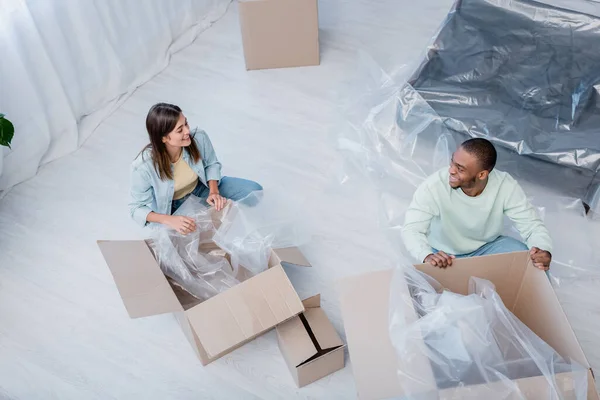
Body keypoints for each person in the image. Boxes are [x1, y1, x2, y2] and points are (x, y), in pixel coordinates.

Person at [401, 138, 552, 271]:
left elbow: (531, 226)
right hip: (443, 253)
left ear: (482, 174)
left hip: (487, 248)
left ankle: (537, 301)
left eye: (460, 169)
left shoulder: (505, 186)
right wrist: (427, 255)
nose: (451, 171)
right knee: (436, 289)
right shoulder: (434, 186)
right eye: (452, 162)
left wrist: (543, 251)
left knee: (532, 262)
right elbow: (412, 229)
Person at [129, 103, 263, 234]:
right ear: (163, 138)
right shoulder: (143, 166)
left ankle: (210, 211)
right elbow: (136, 208)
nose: (187, 131)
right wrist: (170, 220)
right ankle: (202, 217)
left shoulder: (199, 137)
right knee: (189, 238)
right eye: (180, 130)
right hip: (173, 206)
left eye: (186, 124)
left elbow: (211, 164)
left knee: (254, 191)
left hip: (201, 188)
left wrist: (214, 192)